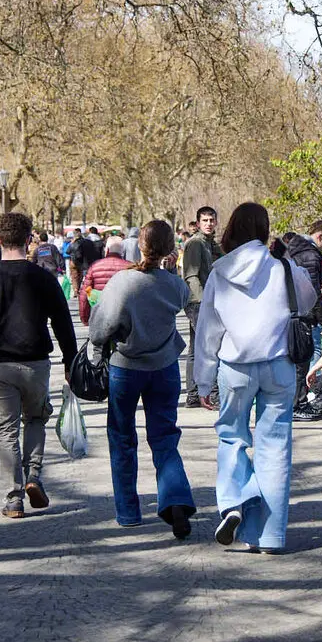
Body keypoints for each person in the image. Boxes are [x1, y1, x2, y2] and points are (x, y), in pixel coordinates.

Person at [194, 202, 316, 554]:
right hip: (279, 365)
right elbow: (306, 303)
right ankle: (270, 536)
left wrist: (204, 380)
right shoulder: (282, 266)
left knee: (231, 437)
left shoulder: (220, 271)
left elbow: (208, 331)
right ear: (264, 230)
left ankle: (233, 502)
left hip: (235, 366)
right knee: (275, 448)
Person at [0, 212, 78, 519]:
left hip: (0, 363)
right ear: (29, 241)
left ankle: (14, 497)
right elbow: (63, 323)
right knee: (36, 420)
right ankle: (34, 476)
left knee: (5, 430)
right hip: (36, 362)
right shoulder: (43, 278)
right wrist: (70, 360)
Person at [89, 220, 195, 537]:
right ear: (169, 250)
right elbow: (183, 296)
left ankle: (128, 512)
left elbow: (99, 330)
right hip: (164, 368)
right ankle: (175, 500)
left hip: (126, 367)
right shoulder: (175, 286)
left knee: (122, 439)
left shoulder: (123, 282)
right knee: (164, 439)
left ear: (140, 245)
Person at [286, 219, 322, 413]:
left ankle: (296, 402)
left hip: (291, 313)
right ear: (320, 236)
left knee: (296, 360)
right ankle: (299, 404)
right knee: (302, 360)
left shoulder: (297, 250)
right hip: (302, 315)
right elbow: (312, 291)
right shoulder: (310, 256)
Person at [182, 205, 223, 408]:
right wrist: (201, 303)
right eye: (205, 220)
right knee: (208, 347)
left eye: (211, 220)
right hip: (198, 302)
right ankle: (210, 393)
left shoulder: (208, 243)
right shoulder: (196, 244)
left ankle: (193, 393)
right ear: (198, 223)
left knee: (196, 348)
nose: (209, 224)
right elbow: (191, 276)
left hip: (203, 301)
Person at [78, 236, 130, 324]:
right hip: (123, 316)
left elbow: (85, 292)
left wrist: (85, 317)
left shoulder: (95, 266)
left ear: (107, 250)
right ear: (122, 251)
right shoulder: (130, 267)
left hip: (100, 315)